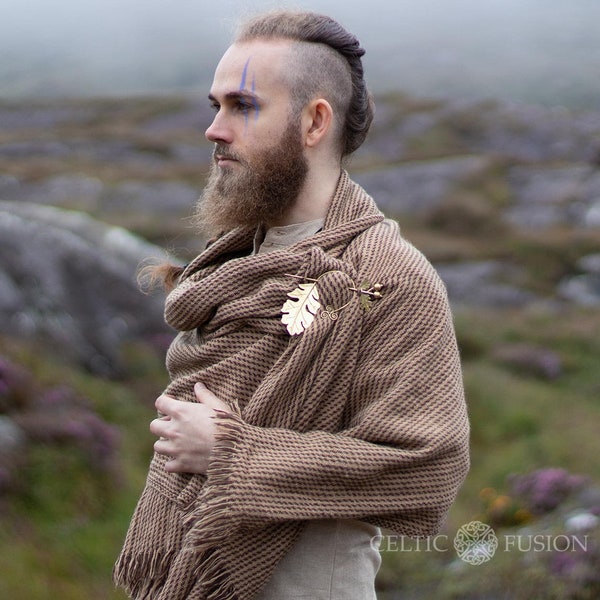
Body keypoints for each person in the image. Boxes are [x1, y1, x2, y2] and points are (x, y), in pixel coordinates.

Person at [114, 9, 470, 600]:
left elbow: (429, 465)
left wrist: (233, 453)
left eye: (243, 106)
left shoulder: (386, 278)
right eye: (215, 106)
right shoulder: (231, 260)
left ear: (313, 122)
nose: (215, 129)